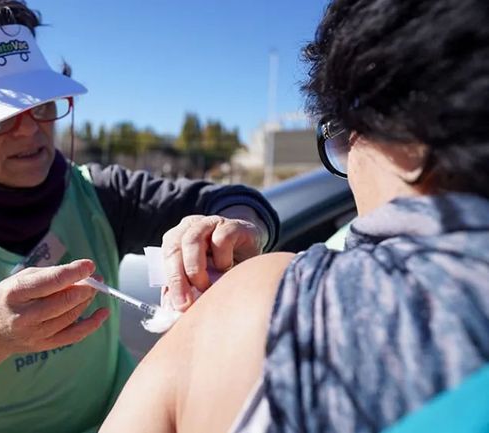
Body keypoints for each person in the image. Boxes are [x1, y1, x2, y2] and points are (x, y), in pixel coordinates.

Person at [0, 1, 280, 432]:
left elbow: (238, 201)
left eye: (41, 105)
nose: (32, 131)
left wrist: (234, 229)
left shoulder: (98, 194)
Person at [100, 0, 489, 431]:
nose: (350, 175)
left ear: (410, 135)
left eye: (344, 133)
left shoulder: (270, 305)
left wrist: (243, 234)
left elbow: (233, 199)